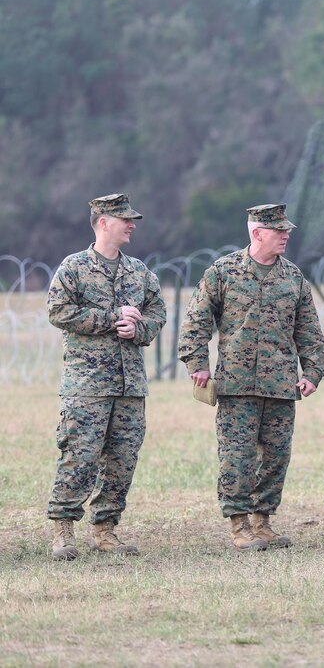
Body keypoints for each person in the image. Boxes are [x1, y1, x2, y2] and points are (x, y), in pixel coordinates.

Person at [178, 203, 324, 551]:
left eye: (287, 230)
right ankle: (239, 524)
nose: (286, 235)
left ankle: (263, 522)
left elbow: (309, 331)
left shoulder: (293, 278)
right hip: (237, 386)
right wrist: (197, 362)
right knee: (238, 456)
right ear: (257, 233)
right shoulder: (224, 272)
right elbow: (196, 321)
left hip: (281, 386)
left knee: (276, 456)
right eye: (279, 231)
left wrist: (314, 372)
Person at [46, 194, 166, 560]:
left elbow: (157, 313)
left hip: (130, 387)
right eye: (125, 220)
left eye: (132, 220)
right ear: (102, 223)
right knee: (79, 457)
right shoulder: (74, 268)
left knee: (122, 458)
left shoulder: (139, 272)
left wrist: (139, 328)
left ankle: (105, 529)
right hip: (88, 387)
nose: (132, 225)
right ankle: (64, 529)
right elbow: (57, 310)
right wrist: (110, 319)